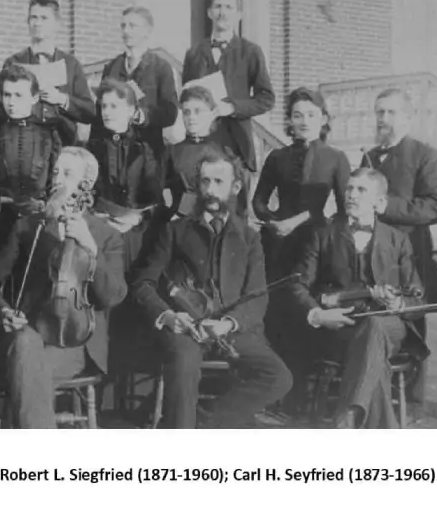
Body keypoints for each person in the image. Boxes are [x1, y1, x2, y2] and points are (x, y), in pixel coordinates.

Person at [131, 148, 292, 428]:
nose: (210, 190)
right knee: (183, 363)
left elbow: (258, 296)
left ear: (235, 187)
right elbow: (143, 283)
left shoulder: (250, 237)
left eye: (219, 182)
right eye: (205, 181)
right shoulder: (175, 231)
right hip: (186, 329)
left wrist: (228, 324)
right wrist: (169, 316)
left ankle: (204, 424)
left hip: (230, 331)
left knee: (279, 377)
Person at [0, 147, 126, 428]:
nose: (57, 180)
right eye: (55, 172)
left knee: (23, 372)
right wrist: (3, 310)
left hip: (76, 342)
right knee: (26, 346)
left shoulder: (106, 235)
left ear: (86, 184)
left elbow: (114, 296)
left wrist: (90, 248)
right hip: (31, 331)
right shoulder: (29, 226)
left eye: (67, 173)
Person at [285, 168, 424, 428]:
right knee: (373, 356)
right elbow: (297, 286)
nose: (351, 194)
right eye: (349, 188)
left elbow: (417, 297)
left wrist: (400, 304)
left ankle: (348, 416)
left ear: (379, 203)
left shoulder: (399, 240)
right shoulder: (323, 235)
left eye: (361, 190)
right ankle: (364, 423)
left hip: (389, 327)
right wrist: (318, 314)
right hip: (341, 327)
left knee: (375, 326)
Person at [361, 88, 437, 402]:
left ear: (409, 117)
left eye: (391, 112)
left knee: (411, 321)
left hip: (410, 253)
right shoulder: (369, 156)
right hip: (375, 253)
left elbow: (436, 207)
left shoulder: (426, 155)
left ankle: (411, 402)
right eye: (379, 112)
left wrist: (387, 207)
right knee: (374, 318)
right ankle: (373, 393)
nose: (384, 119)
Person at [253, 86, 351, 278]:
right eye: (298, 116)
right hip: (281, 240)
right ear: (290, 119)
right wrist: (274, 221)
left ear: (323, 119)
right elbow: (258, 201)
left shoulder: (336, 158)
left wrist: (309, 222)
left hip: (317, 241)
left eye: (311, 115)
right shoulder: (277, 157)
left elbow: (343, 209)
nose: (304, 122)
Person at [181, 0, 275, 175]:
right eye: (218, 7)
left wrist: (233, 108)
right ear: (209, 13)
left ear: (238, 14)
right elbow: (185, 97)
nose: (222, 13)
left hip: (236, 143)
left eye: (229, 8)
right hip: (201, 142)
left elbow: (266, 98)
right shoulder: (194, 53)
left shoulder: (251, 52)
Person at [0, 64, 62, 258]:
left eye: (18, 95)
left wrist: (44, 206)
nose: (11, 102)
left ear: (34, 98)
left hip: (40, 222)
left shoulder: (50, 136)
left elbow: (56, 183)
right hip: (0, 223)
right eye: (7, 95)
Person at [86, 78, 164, 270]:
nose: (107, 112)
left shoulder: (145, 151)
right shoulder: (91, 149)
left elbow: (156, 199)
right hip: (98, 231)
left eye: (114, 106)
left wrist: (136, 219)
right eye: (104, 106)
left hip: (134, 235)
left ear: (130, 110)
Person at [2, 0, 95, 145]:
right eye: (33, 17)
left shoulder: (71, 65)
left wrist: (62, 99)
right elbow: (2, 108)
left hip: (62, 144)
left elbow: (89, 112)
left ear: (57, 24)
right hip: (24, 144)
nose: (37, 23)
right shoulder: (14, 63)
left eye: (44, 18)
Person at [95, 6, 179, 158]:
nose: (126, 31)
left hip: (147, 153)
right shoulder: (112, 68)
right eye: (123, 26)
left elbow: (170, 113)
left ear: (147, 31)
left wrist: (142, 115)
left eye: (132, 26)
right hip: (114, 151)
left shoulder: (161, 68)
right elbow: (98, 112)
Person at [164, 85, 243, 217]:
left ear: (212, 113)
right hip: (178, 219)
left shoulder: (224, 152)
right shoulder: (172, 152)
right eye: (186, 112)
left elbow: (234, 198)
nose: (191, 118)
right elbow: (163, 191)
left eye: (198, 111)